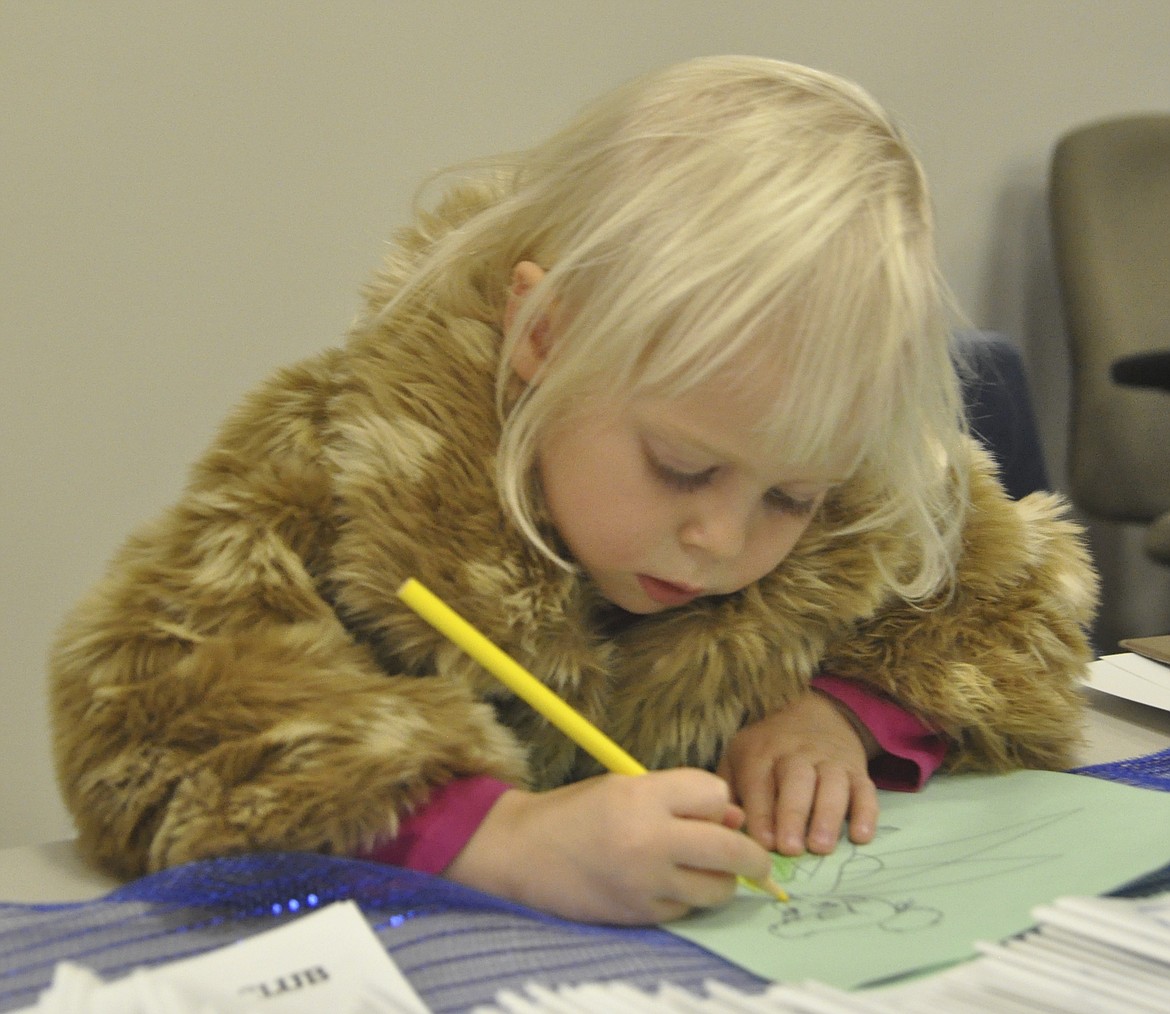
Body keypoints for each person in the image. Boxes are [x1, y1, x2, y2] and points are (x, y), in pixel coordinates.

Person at [49, 56, 1097, 926]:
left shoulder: (837, 454)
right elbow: (140, 713)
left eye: (794, 500)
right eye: (682, 467)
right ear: (544, 335)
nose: (724, 539)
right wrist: (496, 842)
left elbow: (1019, 618)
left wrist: (841, 718)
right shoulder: (338, 465)